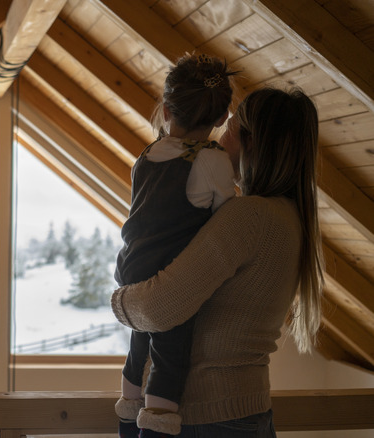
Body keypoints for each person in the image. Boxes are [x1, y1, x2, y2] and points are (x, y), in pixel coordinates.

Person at [111, 86, 324, 438]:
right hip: (247, 414)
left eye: (230, 130)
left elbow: (159, 308)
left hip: (209, 420)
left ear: (253, 144)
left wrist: (119, 299)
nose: (219, 141)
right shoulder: (290, 218)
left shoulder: (248, 217)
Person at [113, 54, 238, 437]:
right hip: (170, 276)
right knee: (170, 357)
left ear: (166, 110)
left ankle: (126, 418)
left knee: (139, 345)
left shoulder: (146, 156)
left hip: (132, 269)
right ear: (221, 118)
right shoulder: (212, 160)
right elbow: (228, 218)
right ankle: (156, 427)